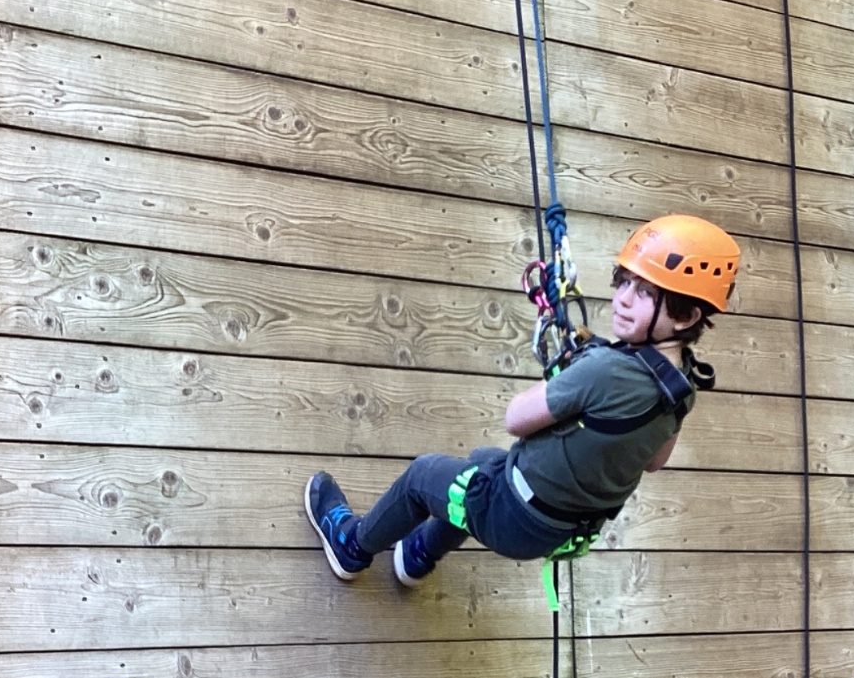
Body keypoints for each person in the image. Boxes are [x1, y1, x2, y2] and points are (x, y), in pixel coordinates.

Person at [304, 214, 740, 586]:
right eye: (625, 282)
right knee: (481, 460)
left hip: (512, 515)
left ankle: (352, 546)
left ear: (685, 314)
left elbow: (516, 418)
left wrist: (576, 378)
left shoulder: (606, 370)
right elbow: (654, 461)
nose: (623, 299)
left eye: (645, 293)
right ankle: (418, 555)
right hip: (558, 527)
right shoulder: (681, 384)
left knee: (423, 477)